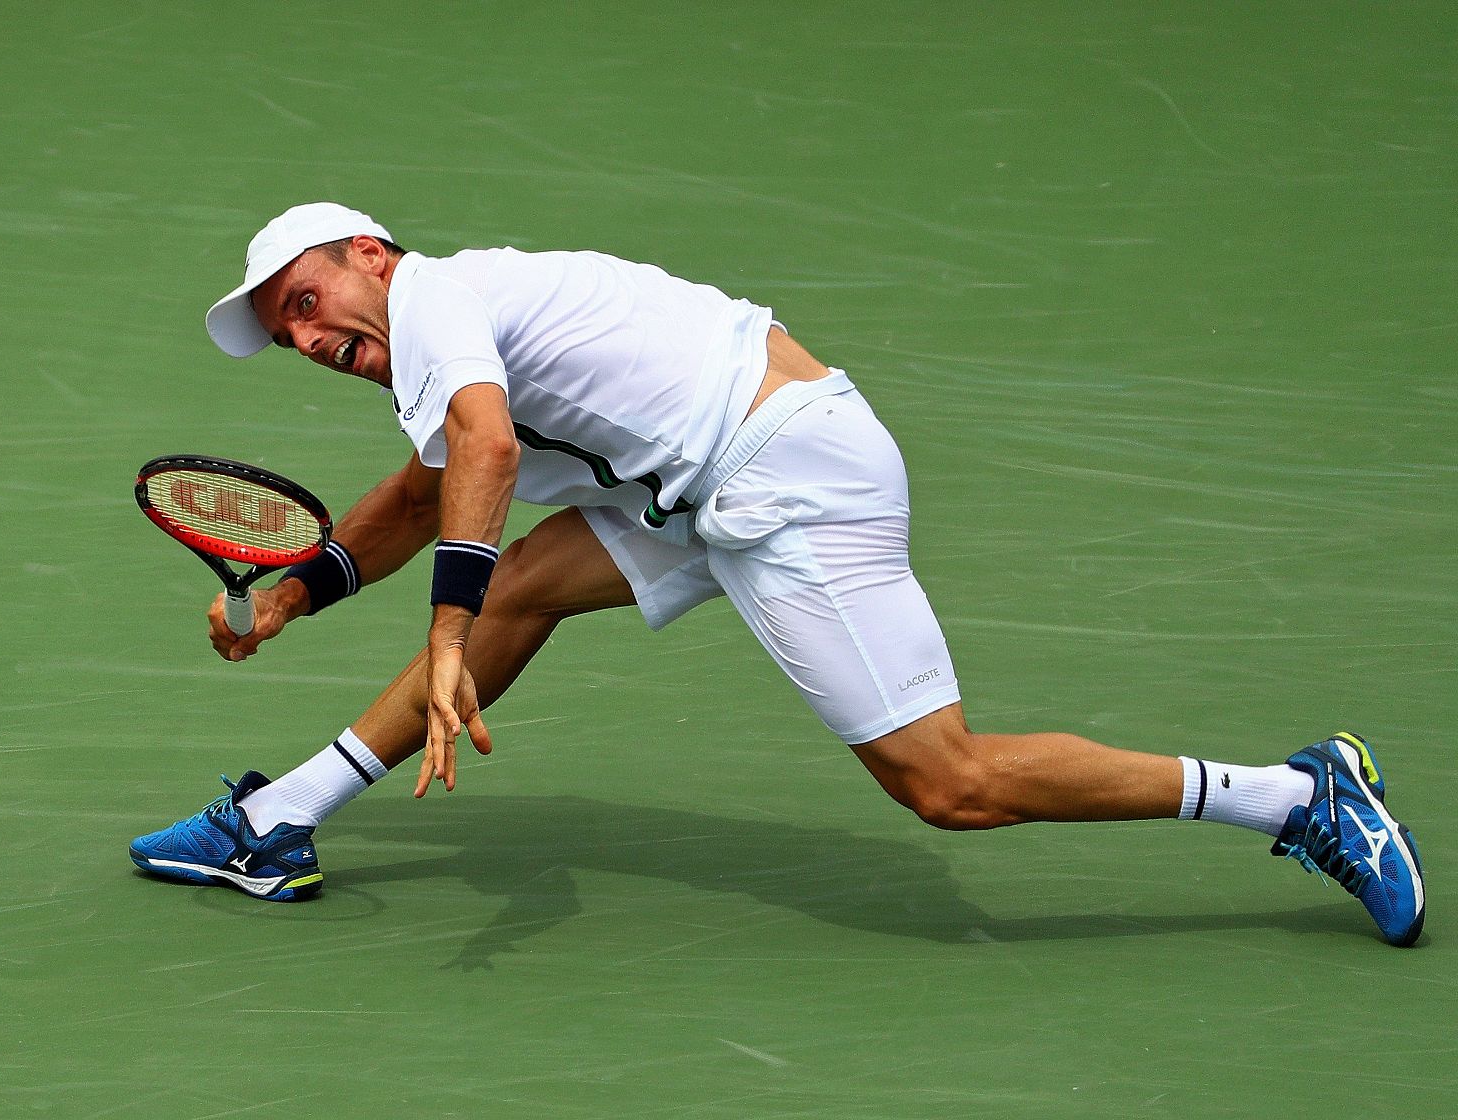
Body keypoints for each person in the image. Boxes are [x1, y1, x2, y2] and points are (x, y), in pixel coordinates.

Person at [129, 202, 1426, 947]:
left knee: (950, 784)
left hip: (783, 479)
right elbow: (426, 489)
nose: (306, 335)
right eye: (285, 330)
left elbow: (484, 443)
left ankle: (1296, 795)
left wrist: (448, 626)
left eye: (306, 298)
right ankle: (276, 822)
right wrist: (304, 587)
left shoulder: (436, 308)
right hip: (713, 477)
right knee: (525, 580)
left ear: (367, 250)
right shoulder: (449, 317)